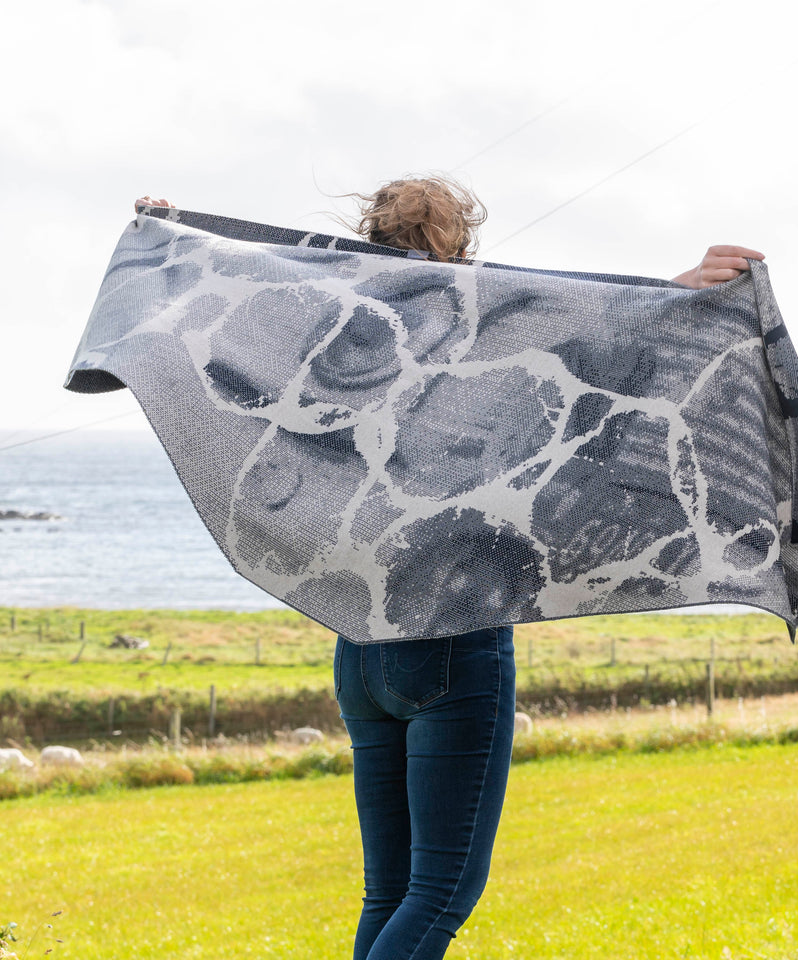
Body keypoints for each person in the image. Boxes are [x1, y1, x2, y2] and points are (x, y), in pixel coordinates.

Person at [134, 181, 764, 960]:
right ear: (459, 242)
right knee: (439, 893)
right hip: (454, 639)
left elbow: (233, 314)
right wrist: (682, 290)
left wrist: (169, 237)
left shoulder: (333, 326)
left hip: (359, 644)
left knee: (389, 891)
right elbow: (599, 325)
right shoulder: (480, 326)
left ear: (368, 233)